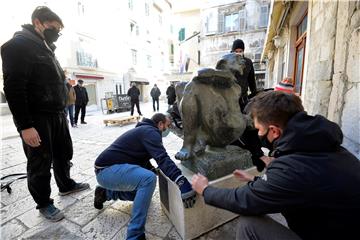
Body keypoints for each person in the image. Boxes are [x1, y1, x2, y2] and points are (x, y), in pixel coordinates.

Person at [192, 91, 360, 240]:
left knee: (248, 224)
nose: (258, 134)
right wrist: (256, 179)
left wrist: (206, 190)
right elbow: (297, 185)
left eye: (259, 129)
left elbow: (245, 200)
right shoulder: (324, 145)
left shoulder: (292, 168)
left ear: (274, 131)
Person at [1, 6, 89, 222]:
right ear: (37, 22)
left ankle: (65, 185)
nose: (56, 33)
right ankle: (44, 203)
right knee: (40, 161)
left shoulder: (47, 47)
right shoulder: (17, 46)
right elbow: (13, 89)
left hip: (58, 113)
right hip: (37, 118)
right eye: (53, 28)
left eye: (59, 30)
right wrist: (25, 126)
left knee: (63, 153)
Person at [94, 113, 196, 240]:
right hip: (105, 171)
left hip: (107, 171)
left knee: (141, 194)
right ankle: (134, 235)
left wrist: (153, 169)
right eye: (168, 125)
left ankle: (106, 193)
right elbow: (162, 159)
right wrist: (181, 182)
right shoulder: (151, 132)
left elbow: (138, 157)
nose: (168, 129)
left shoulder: (144, 130)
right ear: (160, 124)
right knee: (148, 179)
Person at [230, 39, 257, 112]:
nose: (238, 53)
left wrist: (255, 94)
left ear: (243, 51)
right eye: (236, 51)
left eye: (240, 51)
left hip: (243, 98)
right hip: (231, 99)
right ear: (232, 51)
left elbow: (251, 80)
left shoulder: (248, 62)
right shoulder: (228, 62)